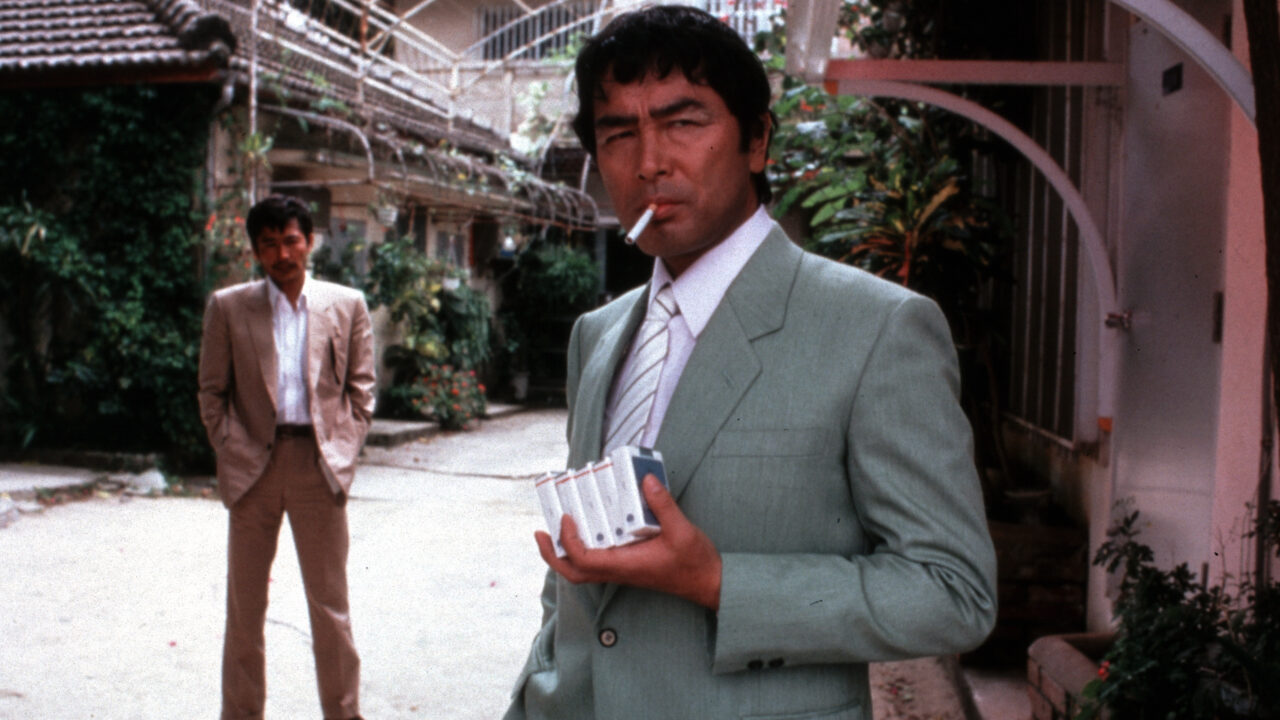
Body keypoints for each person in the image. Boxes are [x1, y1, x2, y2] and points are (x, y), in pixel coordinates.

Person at [505, 7, 997, 720]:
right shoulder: (598, 335)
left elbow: (954, 593)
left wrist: (718, 581)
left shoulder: (876, 329)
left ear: (757, 141)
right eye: (618, 134)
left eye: (683, 122)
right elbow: (575, 584)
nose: (649, 162)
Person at [198, 195, 374, 720]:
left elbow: (361, 389)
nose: (282, 254)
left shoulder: (346, 304)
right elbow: (211, 391)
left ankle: (343, 714)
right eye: (269, 244)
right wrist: (231, 447)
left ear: (310, 242)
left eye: (291, 241)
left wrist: (344, 449)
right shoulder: (229, 307)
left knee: (331, 608)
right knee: (245, 611)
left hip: (319, 467)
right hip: (253, 468)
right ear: (256, 251)